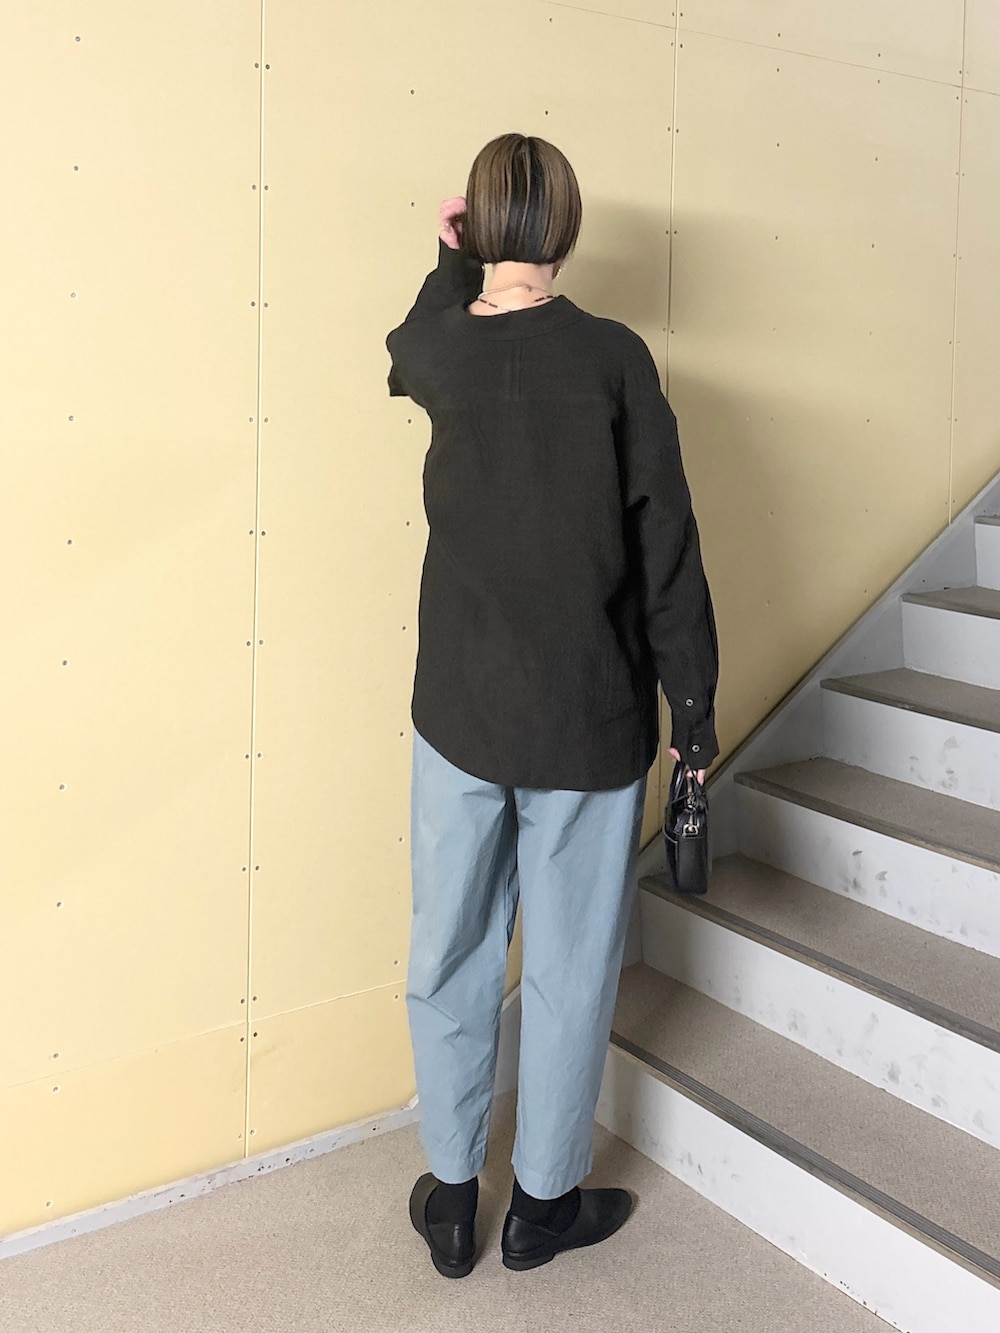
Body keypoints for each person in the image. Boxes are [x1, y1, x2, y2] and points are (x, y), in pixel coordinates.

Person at [385, 133, 719, 1278]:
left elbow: (403, 350)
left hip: (459, 712)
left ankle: (448, 1192)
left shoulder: (440, 349)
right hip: (587, 715)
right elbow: (666, 545)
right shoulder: (615, 358)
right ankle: (541, 1206)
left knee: (448, 947)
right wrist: (693, 712)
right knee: (570, 967)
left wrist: (450, 262)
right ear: (565, 229)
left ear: (479, 226)